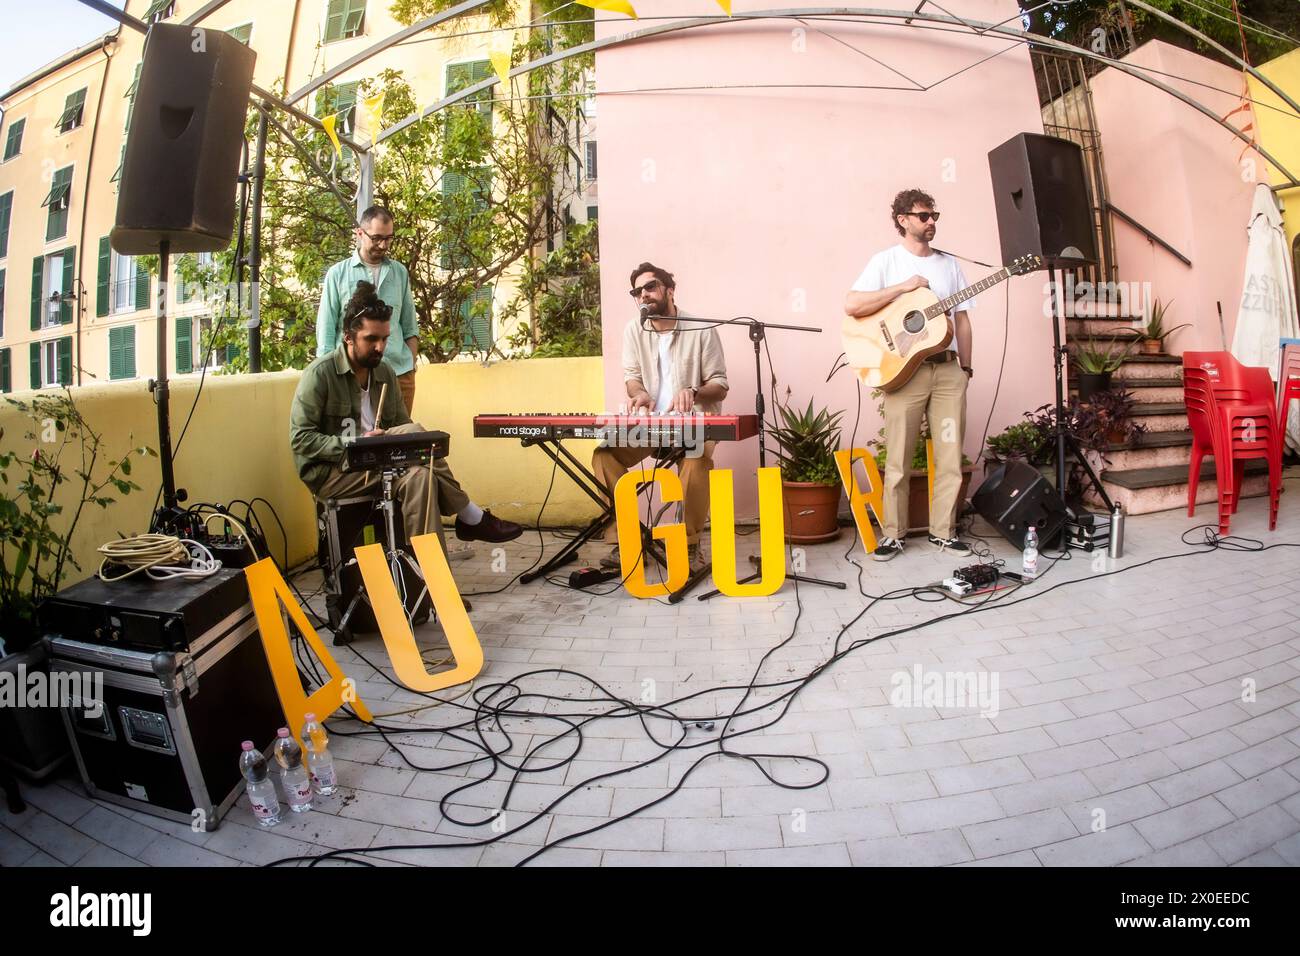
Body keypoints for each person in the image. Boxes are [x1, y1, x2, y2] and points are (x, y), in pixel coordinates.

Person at [292, 281, 523, 565]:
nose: (380, 347)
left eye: (385, 339)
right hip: (335, 474)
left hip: (378, 464)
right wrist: (357, 444)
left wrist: (387, 446)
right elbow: (301, 440)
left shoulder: (385, 372)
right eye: (371, 339)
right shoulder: (320, 374)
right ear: (349, 337)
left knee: (421, 475)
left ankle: (432, 588)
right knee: (416, 434)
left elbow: (404, 429)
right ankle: (470, 515)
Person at [844, 188, 975, 560]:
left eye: (935, 215)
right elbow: (852, 303)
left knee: (951, 456)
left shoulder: (950, 266)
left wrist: (966, 367)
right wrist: (904, 286)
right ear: (903, 220)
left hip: (948, 370)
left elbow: (962, 320)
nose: (931, 221)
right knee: (899, 458)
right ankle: (893, 535)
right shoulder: (886, 261)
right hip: (905, 373)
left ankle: (943, 532)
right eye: (923, 216)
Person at [592, 262, 729, 574]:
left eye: (650, 287)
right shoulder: (632, 330)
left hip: (693, 428)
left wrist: (693, 392)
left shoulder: (702, 329)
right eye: (638, 291)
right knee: (603, 456)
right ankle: (624, 540)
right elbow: (632, 378)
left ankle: (690, 545)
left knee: (695, 464)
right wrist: (638, 393)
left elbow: (720, 386)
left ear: (669, 289)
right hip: (650, 428)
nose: (644, 295)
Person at [317, 206, 422, 415]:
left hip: (398, 372)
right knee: (358, 438)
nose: (383, 245)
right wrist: (329, 375)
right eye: (376, 238)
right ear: (359, 233)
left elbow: (410, 325)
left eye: (388, 238)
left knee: (398, 439)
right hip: (353, 374)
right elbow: (326, 328)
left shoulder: (399, 272)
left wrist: (410, 363)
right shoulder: (338, 274)